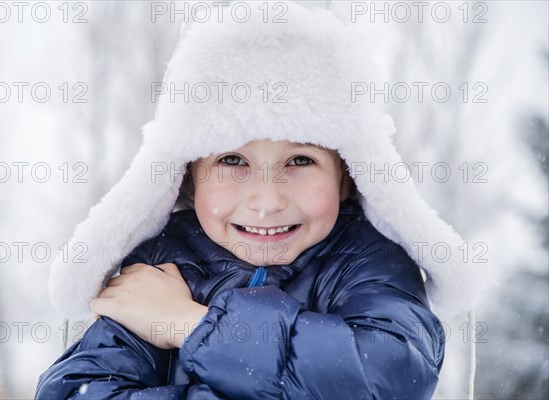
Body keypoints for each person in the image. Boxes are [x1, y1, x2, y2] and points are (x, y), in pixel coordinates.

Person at [37, 2, 487, 399]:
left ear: (349, 178)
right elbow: (78, 390)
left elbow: (390, 374)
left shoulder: (369, 263)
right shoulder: (162, 266)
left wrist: (188, 324)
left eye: (300, 160)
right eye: (233, 159)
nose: (267, 200)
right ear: (188, 178)